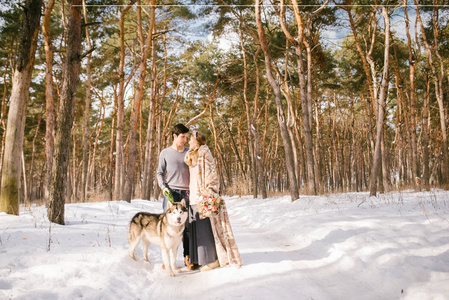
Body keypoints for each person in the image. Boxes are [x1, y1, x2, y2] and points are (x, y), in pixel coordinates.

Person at [184, 131, 242, 271]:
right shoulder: (192, 155)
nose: (189, 142)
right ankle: (199, 259)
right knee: (196, 229)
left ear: (197, 141)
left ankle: (212, 260)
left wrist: (208, 193)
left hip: (202, 196)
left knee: (204, 229)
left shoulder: (205, 153)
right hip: (193, 196)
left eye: (191, 140)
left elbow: (212, 174)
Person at [156, 123, 194, 270]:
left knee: (188, 227)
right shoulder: (165, 153)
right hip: (171, 193)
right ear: (174, 136)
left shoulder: (189, 152)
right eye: (182, 137)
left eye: (186, 137)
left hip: (187, 193)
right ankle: (167, 259)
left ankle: (187, 257)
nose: (185, 140)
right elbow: (160, 172)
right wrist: (163, 187)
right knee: (169, 227)